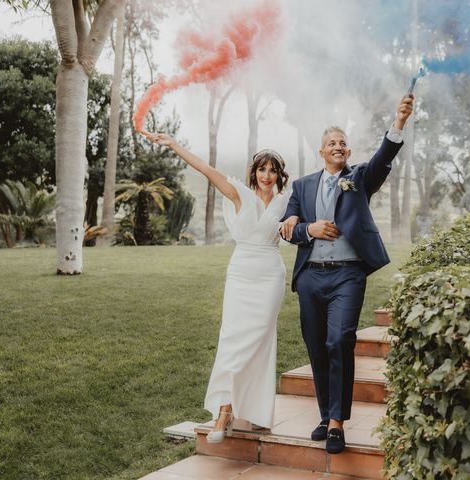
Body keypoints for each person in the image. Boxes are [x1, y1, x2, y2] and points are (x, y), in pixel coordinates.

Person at [279, 94, 414, 454]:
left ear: (348, 153)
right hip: (310, 277)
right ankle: (326, 415)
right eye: (331, 143)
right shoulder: (302, 186)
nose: (338, 146)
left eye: (342, 143)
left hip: (347, 277)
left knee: (339, 341)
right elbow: (288, 228)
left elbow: (384, 159)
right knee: (317, 348)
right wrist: (310, 229)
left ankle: (338, 423)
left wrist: (398, 122)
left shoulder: (359, 178)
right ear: (321, 152)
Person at [144, 132, 296, 443]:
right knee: (233, 341)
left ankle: (255, 412)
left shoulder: (286, 201)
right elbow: (205, 169)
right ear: (253, 172)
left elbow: (300, 224)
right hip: (241, 274)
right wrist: (174, 145)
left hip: (270, 276)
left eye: (273, 170)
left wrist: (295, 218)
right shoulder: (239, 192)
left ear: (280, 175)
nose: (267, 176)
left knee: (260, 341)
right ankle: (225, 411)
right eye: (262, 169)